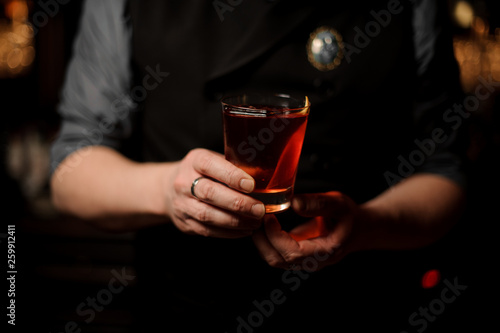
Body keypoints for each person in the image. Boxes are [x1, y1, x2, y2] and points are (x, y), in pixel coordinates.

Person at [50, 0, 468, 331]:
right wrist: (166, 190)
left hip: (357, 305)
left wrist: (366, 224)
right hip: (187, 309)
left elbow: (446, 173)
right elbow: (70, 171)